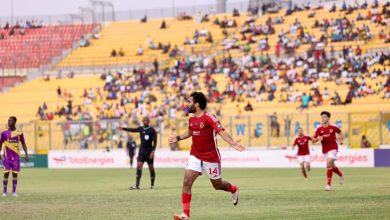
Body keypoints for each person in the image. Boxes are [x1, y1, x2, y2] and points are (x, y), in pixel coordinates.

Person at [169, 92, 246, 220]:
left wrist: (232, 143)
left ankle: (233, 189)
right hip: (195, 155)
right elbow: (190, 132)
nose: (187, 104)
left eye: (189, 102)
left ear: (197, 104)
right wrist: (178, 138)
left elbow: (221, 131)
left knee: (217, 185)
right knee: (187, 182)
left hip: (211, 158)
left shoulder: (210, 117)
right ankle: (186, 215)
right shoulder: (192, 119)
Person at [120, 116, 157, 190]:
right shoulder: (141, 128)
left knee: (151, 168)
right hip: (142, 151)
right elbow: (132, 130)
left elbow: (155, 141)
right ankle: (137, 185)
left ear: (149, 121)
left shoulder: (152, 130)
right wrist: (123, 128)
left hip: (149, 152)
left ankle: (152, 185)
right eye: (144, 120)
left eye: (147, 120)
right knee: (139, 166)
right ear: (143, 121)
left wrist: (153, 151)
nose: (145, 122)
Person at [312, 111, 344, 191]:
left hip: (333, 147)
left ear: (328, 118)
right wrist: (318, 139)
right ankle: (341, 174)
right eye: (322, 117)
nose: (323, 118)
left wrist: (341, 140)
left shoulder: (333, 126)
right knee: (332, 166)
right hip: (325, 149)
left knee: (329, 162)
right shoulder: (318, 128)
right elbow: (313, 140)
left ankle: (328, 185)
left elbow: (340, 132)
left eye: (325, 117)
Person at [0, 116, 29, 197]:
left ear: (14, 122)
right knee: (6, 174)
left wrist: (26, 154)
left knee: (15, 175)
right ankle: (4, 192)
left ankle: (14, 192)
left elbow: (23, 144)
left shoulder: (19, 133)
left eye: (10, 120)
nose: (8, 122)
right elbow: (0, 143)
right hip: (6, 157)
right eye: (8, 120)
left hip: (16, 158)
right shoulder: (3, 133)